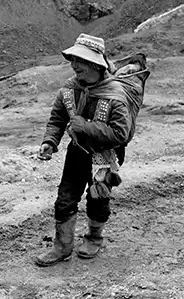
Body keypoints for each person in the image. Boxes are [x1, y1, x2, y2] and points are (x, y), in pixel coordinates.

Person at [34, 34, 131, 266]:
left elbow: (120, 134)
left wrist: (84, 126)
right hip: (77, 152)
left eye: (80, 60)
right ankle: (62, 246)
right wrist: (50, 141)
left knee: (98, 198)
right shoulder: (69, 90)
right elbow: (57, 119)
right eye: (73, 60)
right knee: (65, 198)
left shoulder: (115, 96)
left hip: (105, 156)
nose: (74, 65)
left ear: (95, 65)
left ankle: (94, 238)